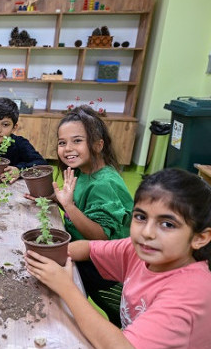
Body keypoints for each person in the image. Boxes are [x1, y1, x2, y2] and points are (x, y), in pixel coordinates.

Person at [26, 168, 211, 348]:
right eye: (141, 217)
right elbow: (87, 248)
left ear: (200, 238)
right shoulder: (142, 251)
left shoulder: (193, 293)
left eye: (167, 224)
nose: (147, 232)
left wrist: (66, 287)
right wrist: (46, 256)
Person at [49, 105, 134, 323]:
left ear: (98, 145)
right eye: (62, 142)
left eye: (77, 141)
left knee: (50, 288)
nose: (68, 148)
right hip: (87, 252)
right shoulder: (82, 171)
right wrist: (56, 200)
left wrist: (69, 207)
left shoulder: (104, 183)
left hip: (105, 267)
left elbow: (101, 236)